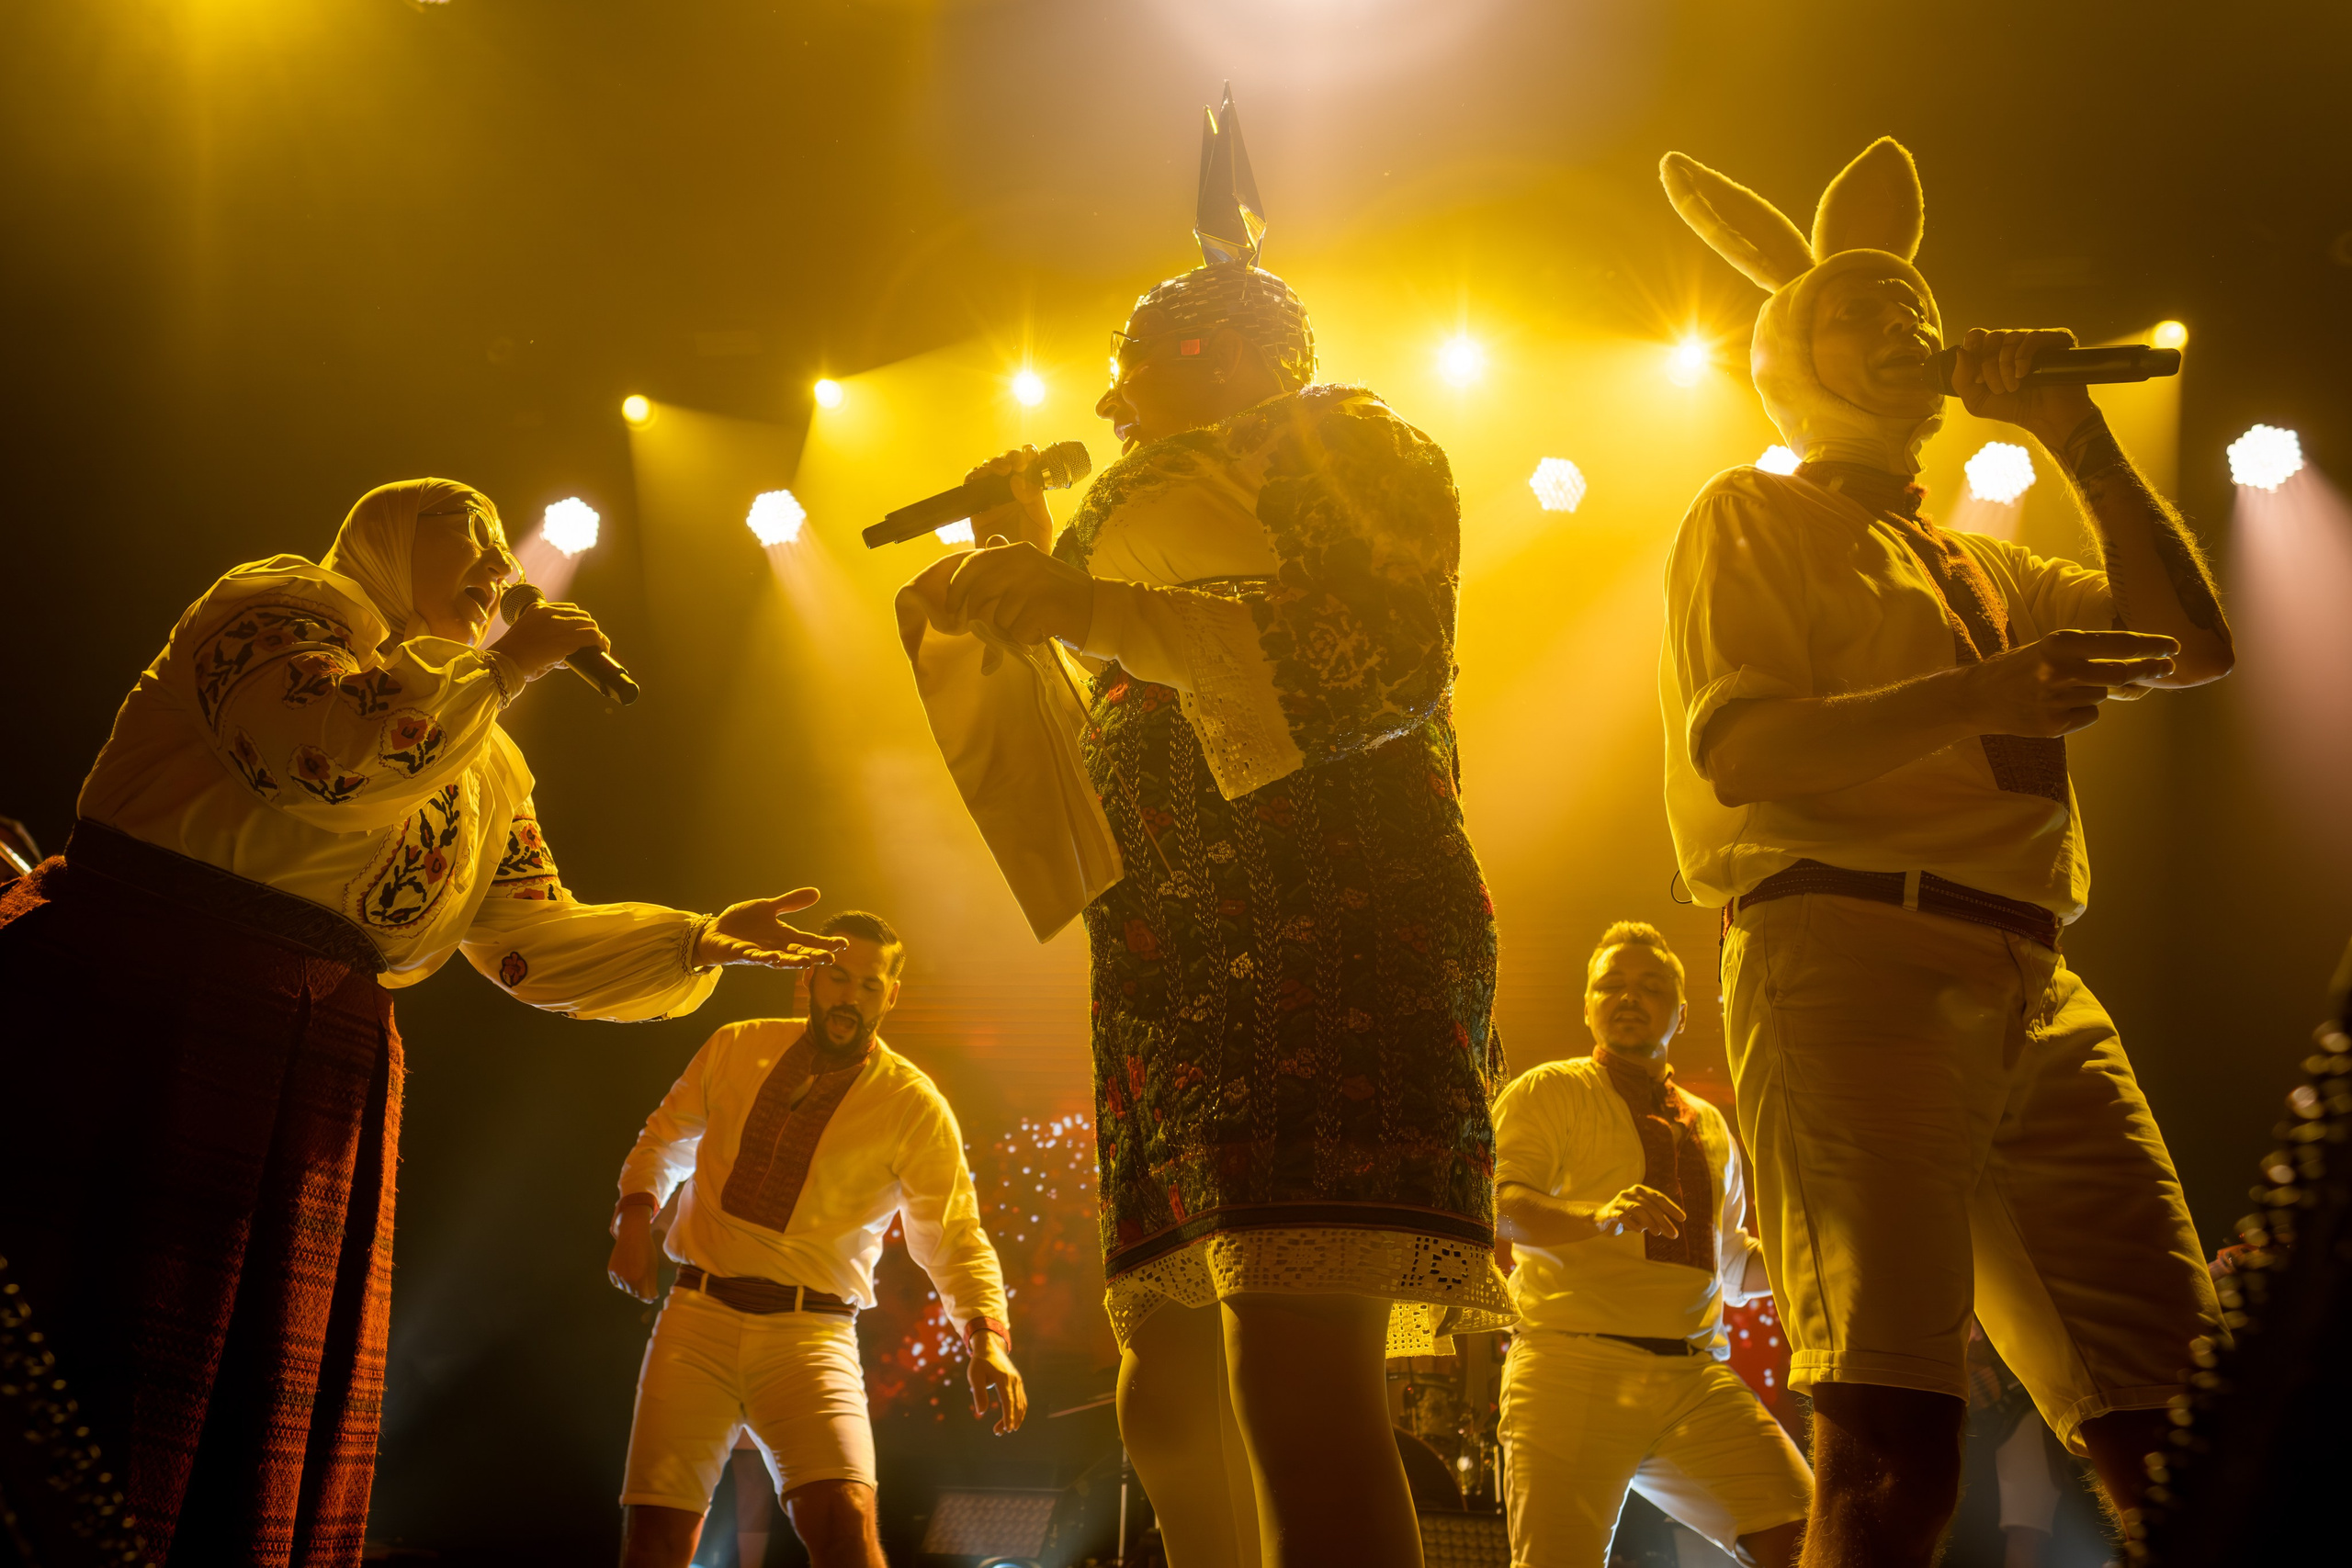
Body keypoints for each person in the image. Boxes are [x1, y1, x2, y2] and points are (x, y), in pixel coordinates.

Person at [0, 479, 844, 1568]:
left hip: (317, 1059)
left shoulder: (486, 759)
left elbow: (527, 942)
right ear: (388, 543)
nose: (501, 571)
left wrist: (696, 942)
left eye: (507, 557)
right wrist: (500, 671)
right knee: (79, 1354)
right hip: (146, 994)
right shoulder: (287, 605)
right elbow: (321, 761)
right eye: (475, 544)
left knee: (253, 1404)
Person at [897, 90, 1512, 1568]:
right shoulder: (1153, 510)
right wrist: (1034, 581)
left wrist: (1082, 596)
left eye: (1129, 372)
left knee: (1295, 1362)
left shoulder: (1354, 441)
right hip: (1177, 960)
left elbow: (1370, 662)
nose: (1106, 407)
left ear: (1235, 350)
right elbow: (1138, 675)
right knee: (1165, 1379)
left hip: (1332, 927)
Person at [1656, 138, 2234, 1567]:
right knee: (1892, 1438)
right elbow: (1744, 751)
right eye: (1859, 307)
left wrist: (2075, 435)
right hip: (1848, 957)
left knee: (2187, 1430)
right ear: (1786, 346)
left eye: (1917, 306)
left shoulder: (1985, 560)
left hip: (2037, 976)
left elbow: (2197, 644)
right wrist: (1980, 695)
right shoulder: (1753, 511)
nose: (1905, 326)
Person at [605, 909, 1025, 1568]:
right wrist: (635, 1217)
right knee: (653, 1541)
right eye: (837, 977)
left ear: (890, 995)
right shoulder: (735, 1044)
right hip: (696, 1321)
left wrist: (985, 1337)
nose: (848, 996)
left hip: (810, 1337)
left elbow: (954, 1233)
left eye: (867, 984)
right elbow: (662, 1140)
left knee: (845, 1528)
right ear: (810, 977)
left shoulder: (912, 1102)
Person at [1491, 922, 1809, 1568]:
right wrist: (1599, 1216)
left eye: (1650, 986)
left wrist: (1814, 1260)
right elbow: (1498, 1208)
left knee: (1812, 1542)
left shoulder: (1712, 1123)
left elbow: (1731, 1264)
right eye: (1610, 984)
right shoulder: (1550, 1089)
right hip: (1570, 1364)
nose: (1628, 996)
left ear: (1681, 1012)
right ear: (1587, 1005)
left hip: (1693, 1375)